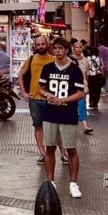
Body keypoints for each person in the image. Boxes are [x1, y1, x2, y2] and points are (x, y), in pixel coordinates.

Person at [39, 36, 85, 198]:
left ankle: (73, 183)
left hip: (68, 113)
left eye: (60, 48)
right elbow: (41, 88)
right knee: (49, 147)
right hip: (50, 113)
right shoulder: (48, 68)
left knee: (71, 148)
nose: (57, 51)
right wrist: (48, 96)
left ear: (66, 50)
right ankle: (50, 181)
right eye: (55, 48)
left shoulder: (74, 70)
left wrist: (64, 100)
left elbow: (81, 92)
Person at [18, 35, 69, 165]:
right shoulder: (31, 59)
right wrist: (24, 92)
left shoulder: (54, 59)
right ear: (35, 46)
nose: (41, 46)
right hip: (34, 99)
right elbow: (21, 74)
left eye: (43, 44)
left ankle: (63, 153)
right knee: (38, 126)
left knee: (55, 127)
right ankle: (42, 153)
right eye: (38, 44)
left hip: (51, 98)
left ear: (47, 45)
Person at [71, 41, 93, 134]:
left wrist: (86, 84)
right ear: (73, 48)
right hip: (71, 87)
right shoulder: (69, 60)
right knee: (72, 106)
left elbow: (87, 74)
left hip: (82, 87)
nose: (79, 49)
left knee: (82, 105)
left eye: (80, 47)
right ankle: (72, 126)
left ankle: (85, 126)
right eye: (77, 47)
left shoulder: (85, 60)